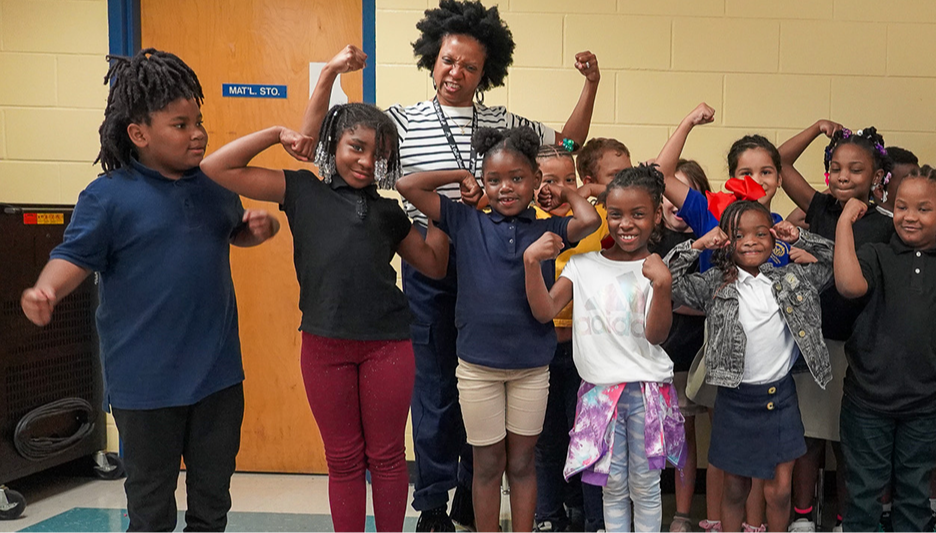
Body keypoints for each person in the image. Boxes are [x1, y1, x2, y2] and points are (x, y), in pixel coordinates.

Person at [306, 3, 603, 529]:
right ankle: (433, 503)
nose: (455, 73)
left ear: (484, 73)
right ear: (432, 59)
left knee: (484, 378)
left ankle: (472, 491)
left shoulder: (505, 123)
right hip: (434, 254)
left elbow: (569, 144)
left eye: (468, 66)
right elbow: (330, 152)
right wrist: (329, 74)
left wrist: (590, 86)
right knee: (438, 388)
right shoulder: (400, 119)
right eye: (447, 61)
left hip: (500, 258)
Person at [19, 49, 280, 533]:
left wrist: (252, 229)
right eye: (180, 124)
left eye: (198, 121)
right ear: (138, 134)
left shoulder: (214, 186)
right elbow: (73, 256)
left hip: (218, 378)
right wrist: (46, 290)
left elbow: (230, 231)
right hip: (145, 385)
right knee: (150, 504)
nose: (197, 133)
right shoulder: (108, 197)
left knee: (212, 499)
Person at [200, 104, 450, 533]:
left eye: (379, 154)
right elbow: (216, 167)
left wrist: (442, 214)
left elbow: (434, 266)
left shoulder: (389, 212)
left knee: (387, 457)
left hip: (388, 346)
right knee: (344, 459)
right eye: (357, 147)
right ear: (333, 145)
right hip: (325, 347)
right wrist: (278, 132)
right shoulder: (301, 190)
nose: (367, 161)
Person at [397, 127, 602, 533]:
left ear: (533, 181)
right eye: (494, 180)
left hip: (531, 367)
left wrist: (565, 194)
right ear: (483, 182)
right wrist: (458, 175)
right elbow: (407, 184)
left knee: (523, 463)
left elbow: (590, 219)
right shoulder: (464, 220)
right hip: (477, 367)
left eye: (517, 178)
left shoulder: (548, 230)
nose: (505, 188)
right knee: (487, 464)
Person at [832, 169, 936, 533]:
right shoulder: (876, 254)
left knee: (914, 499)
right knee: (862, 497)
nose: (909, 216)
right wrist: (844, 222)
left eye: (923, 209)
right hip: (867, 401)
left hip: (925, 405)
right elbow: (848, 285)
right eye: (901, 207)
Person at [522, 165, 685, 533]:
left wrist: (662, 286)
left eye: (638, 214)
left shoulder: (656, 268)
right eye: (615, 214)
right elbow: (546, 310)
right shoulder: (582, 266)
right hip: (598, 395)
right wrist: (532, 263)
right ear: (603, 215)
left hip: (646, 393)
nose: (625, 224)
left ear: (656, 215)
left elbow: (656, 335)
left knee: (644, 487)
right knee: (611, 488)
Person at [666, 202, 836, 533]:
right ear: (726, 240)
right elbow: (666, 277)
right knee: (734, 488)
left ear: (774, 240)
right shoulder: (715, 283)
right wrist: (699, 244)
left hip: (780, 399)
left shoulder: (792, 279)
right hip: (736, 400)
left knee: (779, 490)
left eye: (761, 233)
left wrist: (801, 237)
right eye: (739, 234)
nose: (751, 241)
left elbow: (835, 262)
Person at [777, 120, 899, 533]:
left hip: (860, 346)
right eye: (837, 168)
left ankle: (849, 517)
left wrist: (822, 263)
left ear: (877, 178)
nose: (844, 176)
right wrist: (815, 129)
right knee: (810, 435)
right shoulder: (820, 207)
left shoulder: (886, 224)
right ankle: (804, 516)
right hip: (815, 338)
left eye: (856, 170)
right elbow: (779, 162)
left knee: (851, 441)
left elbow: (863, 280)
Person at [535, 139, 629, 533]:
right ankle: (548, 516)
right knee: (546, 440)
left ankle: (594, 519)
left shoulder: (596, 218)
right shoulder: (528, 218)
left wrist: (583, 195)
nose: (559, 187)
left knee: (590, 437)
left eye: (568, 178)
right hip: (539, 350)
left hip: (587, 349)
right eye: (549, 180)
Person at [658, 160, 728, 533]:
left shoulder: (714, 236)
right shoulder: (656, 238)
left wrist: (684, 299)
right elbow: (660, 296)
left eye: (684, 198)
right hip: (671, 355)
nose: (676, 208)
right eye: (671, 198)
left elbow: (717, 292)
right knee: (681, 435)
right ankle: (682, 513)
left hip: (711, 353)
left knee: (721, 435)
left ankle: (715, 515)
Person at [658, 104, 796, 272]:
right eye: (746, 173)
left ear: (779, 179)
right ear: (732, 180)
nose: (757, 181)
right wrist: (688, 123)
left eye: (766, 172)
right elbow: (662, 175)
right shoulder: (710, 213)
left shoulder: (783, 231)